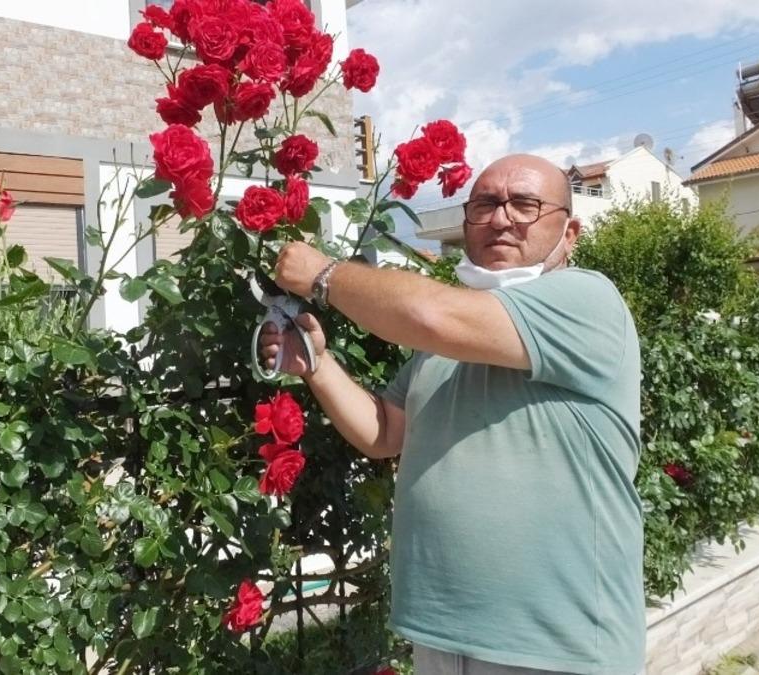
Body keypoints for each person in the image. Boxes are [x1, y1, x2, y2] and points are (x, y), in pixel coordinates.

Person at [259, 154, 645, 675]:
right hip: (442, 632)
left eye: (525, 204)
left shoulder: (586, 299)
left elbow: (429, 312)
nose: (501, 218)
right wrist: (317, 365)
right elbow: (385, 432)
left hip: (556, 644)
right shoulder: (449, 336)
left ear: (570, 232)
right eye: (484, 204)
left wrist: (323, 275)